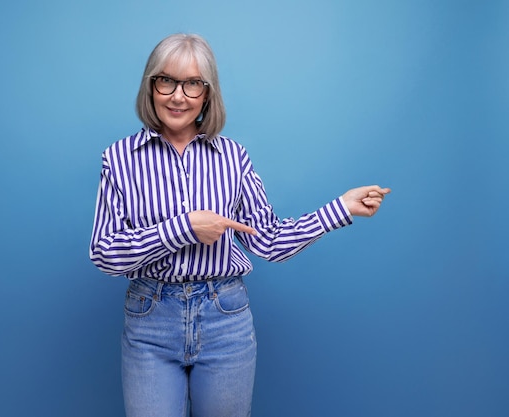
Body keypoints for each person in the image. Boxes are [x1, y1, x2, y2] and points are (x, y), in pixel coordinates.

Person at [89, 33, 390, 417]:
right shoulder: (119, 159)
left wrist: (341, 208)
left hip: (224, 319)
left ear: (207, 94)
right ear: (150, 86)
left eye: (192, 84)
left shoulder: (233, 158)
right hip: (151, 321)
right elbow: (104, 253)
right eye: (166, 81)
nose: (177, 96)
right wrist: (183, 228)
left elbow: (269, 240)